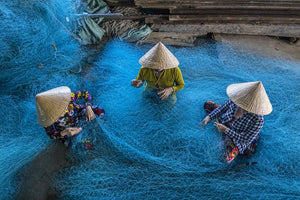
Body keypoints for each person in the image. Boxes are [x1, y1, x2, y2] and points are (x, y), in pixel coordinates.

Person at [200, 81, 272, 163]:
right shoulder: (237, 98)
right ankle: (224, 133)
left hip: (237, 136)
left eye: (244, 105)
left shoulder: (258, 120)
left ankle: (251, 144)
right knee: (208, 104)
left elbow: (244, 139)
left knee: (225, 158)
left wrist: (226, 130)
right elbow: (223, 108)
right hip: (225, 120)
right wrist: (209, 117)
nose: (238, 105)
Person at [35, 86, 105, 144]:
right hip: (68, 129)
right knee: (81, 144)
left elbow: (85, 93)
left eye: (61, 107)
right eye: (56, 112)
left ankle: (96, 125)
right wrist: (64, 133)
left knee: (99, 110)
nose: (61, 112)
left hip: (79, 114)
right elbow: (51, 134)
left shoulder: (66, 98)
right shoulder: (46, 119)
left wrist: (88, 106)